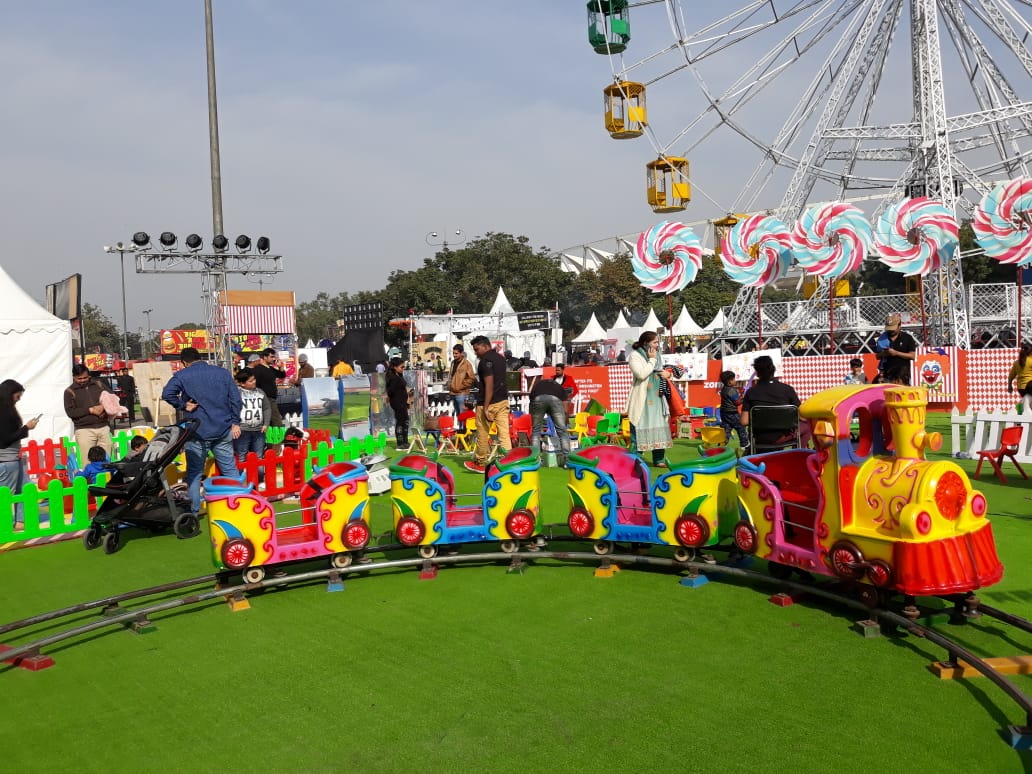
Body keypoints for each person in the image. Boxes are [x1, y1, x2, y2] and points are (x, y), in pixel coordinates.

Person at [161, 347, 242, 514]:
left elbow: (168, 394)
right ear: (200, 357)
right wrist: (235, 422)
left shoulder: (182, 375)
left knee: (195, 474)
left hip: (198, 431)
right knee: (229, 469)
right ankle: (238, 506)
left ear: (184, 363)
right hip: (223, 427)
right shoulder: (222, 373)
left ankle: (194, 512)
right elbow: (236, 399)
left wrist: (183, 405)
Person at [464, 335, 512, 473]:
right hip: (502, 400)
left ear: (485, 346)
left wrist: (485, 407)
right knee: (504, 434)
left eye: (476, 349)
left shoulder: (485, 361)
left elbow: (489, 384)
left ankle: (480, 462)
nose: (475, 352)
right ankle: (508, 461)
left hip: (488, 402)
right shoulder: (501, 359)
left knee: (483, 433)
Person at [626, 331, 673, 468]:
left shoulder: (658, 355)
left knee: (659, 426)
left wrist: (668, 374)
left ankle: (659, 459)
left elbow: (662, 371)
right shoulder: (635, 356)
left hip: (657, 398)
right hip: (642, 399)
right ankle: (634, 461)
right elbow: (641, 374)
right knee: (638, 428)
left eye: (658, 342)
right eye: (655, 342)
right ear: (646, 343)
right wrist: (652, 359)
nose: (657, 345)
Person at [0, 379, 38, 526]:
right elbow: (5, 439)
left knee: (24, 487)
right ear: (9, 394)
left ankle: (20, 521)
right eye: (17, 396)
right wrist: (26, 428)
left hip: (13, 458)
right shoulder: (3, 413)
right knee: (6, 495)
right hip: (7, 460)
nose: (19, 399)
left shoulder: (7, 410)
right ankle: (5, 524)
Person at [741, 355, 801, 448]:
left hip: (759, 438)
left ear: (757, 373)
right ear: (773, 369)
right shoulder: (787, 389)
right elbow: (800, 413)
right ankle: (799, 455)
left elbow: (744, 421)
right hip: (783, 437)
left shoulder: (751, 392)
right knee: (806, 425)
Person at [64, 363, 113, 458]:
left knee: (107, 461)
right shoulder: (69, 392)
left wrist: (103, 406)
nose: (82, 380)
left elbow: (112, 397)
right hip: (84, 430)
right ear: (74, 377)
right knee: (88, 462)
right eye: (79, 378)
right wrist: (89, 410)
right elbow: (70, 412)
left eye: (85, 378)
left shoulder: (98, 384)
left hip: (103, 426)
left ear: (89, 375)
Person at [529, 376, 571, 467]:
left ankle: (535, 461)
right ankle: (567, 461)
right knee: (562, 432)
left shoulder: (537, 385)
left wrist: (534, 418)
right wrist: (566, 420)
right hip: (555, 399)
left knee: (536, 432)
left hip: (538, 399)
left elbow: (531, 403)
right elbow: (566, 410)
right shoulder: (559, 387)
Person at [234, 367, 270, 467]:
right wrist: (235, 425)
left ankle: (259, 480)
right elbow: (231, 410)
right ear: (242, 383)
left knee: (259, 457)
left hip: (259, 430)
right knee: (241, 457)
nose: (254, 382)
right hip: (242, 431)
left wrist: (266, 423)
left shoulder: (260, 392)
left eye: (254, 379)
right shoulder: (236, 393)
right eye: (250, 381)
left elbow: (266, 408)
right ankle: (241, 481)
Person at [876, 314, 916, 385]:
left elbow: (912, 356)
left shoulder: (907, 338)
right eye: (889, 329)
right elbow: (877, 356)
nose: (891, 331)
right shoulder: (882, 338)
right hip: (887, 374)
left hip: (902, 374)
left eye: (893, 329)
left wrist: (896, 353)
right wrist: (885, 353)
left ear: (899, 326)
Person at [251, 348, 286, 427]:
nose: (273, 359)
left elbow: (282, 375)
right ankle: (279, 438)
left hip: (272, 398)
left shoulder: (271, 369)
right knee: (276, 421)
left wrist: (281, 367)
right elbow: (255, 385)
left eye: (274, 357)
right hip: (265, 398)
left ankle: (271, 437)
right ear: (265, 357)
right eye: (271, 357)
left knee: (270, 421)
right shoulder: (258, 369)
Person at [384, 357, 411, 448]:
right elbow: (390, 391)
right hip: (397, 402)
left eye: (404, 367)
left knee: (405, 421)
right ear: (395, 367)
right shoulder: (393, 378)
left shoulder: (399, 376)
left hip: (402, 402)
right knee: (400, 421)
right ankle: (400, 443)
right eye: (401, 367)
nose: (403, 369)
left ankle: (405, 441)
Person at [718, 370, 748, 448]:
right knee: (741, 427)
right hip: (732, 413)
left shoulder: (724, 389)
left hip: (724, 413)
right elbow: (737, 402)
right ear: (729, 382)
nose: (735, 381)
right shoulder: (731, 390)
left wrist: (740, 396)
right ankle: (744, 445)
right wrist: (744, 399)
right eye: (734, 379)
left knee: (726, 430)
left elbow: (734, 399)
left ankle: (721, 445)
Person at [447, 344, 477, 416]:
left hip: (462, 393)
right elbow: (452, 376)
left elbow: (471, 378)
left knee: (463, 414)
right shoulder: (453, 363)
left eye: (456, 353)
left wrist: (461, 386)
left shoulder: (467, 364)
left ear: (461, 353)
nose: (454, 355)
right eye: (453, 353)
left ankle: (463, 427)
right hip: (453, 393)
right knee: (458, 414)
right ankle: (461, 427)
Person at [1007, 343, 1032, 413]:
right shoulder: (1031, 360)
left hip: (1021, 388)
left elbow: (1010, 376)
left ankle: (1022, 407)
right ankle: (1021, 407)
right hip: (1030, 386)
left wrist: (1009, 386)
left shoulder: (1016, 362)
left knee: (1028, 401)